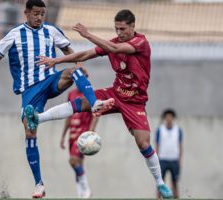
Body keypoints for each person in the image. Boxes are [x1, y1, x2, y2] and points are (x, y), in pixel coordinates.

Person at [0, 0, 113, 198]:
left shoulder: (51, 30)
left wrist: (78, 62)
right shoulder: (14, 34)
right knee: (30, 131)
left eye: (42, 13)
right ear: (26, 13)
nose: (39, 17)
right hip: (30, 90)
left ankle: (95, 104)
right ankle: (39, 184)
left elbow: (67, 50)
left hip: (50, 80)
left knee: (73, 71)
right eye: (36, 13)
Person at [25, 9, 173, 198]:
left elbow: (116, 49)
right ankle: (38, 118)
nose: (119, 33)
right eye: (116, 29)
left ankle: (160, 183)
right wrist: (57, 60)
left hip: (135, 103)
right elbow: (85, 54)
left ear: (133, 26)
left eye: (122, 29)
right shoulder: (112, 43)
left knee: (143, 143)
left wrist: (87, 34)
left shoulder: (140, 42)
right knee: (81, 103)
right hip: (115, 94)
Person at [61, 88, 99, 198]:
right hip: (72, 135)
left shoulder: (89, 92)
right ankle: (81, 195)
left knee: (73, 161)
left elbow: (96, 112)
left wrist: (91, 130)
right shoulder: (71, 94)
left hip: (83, 135)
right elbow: (68, 115)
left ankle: (87, 190)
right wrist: (63, 136)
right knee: (79, 165)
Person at [155, 109, 183, 198]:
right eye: (167, 117)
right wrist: (156, 159)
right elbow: (157, 145)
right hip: (162, 160)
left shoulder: (178, 130)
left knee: (175, 183)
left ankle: (176, 197)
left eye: (170, 117)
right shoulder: (160, 130)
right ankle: (158, 198)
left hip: (174, 160)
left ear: (173, 118)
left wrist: (180, 159)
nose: (169, 118)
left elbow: (180, 146)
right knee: (160, 183)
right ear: (165, 118)